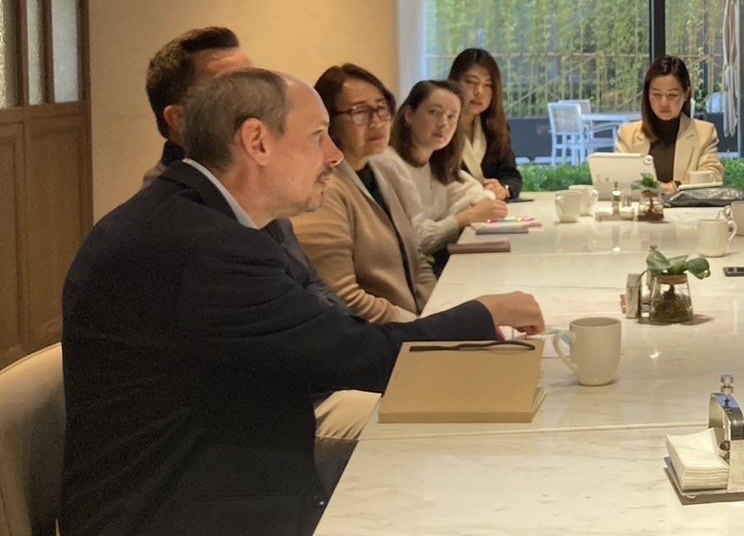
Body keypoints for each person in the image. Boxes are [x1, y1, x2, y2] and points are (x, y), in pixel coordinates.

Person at [60, 68, 546, 534]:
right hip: (177, 509)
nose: (334, 154)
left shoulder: (213, 221)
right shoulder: (207, 249)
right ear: (258, 142)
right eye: (318, 135)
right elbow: (356, 355)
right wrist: (483, 314)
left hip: (219, 476)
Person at [140, 26, 373, 483]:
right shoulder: (187, 226)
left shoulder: (253, 196)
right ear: (180, 120)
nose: (252, 95)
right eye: (225, 89)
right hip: (233, 441)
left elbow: (314, 293)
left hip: (291, 387)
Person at [291, 64, 437, 324]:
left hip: (412, 327)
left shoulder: (385, 171)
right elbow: (342, 295)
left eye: (382, 107)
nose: (377, 121)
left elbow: (417, 260)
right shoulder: (323, 190)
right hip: (374, 338)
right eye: (360, 112)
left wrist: (439, 313)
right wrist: (418, 328)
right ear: (329, 122)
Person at [373, 80, 507, 274]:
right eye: (434, 113)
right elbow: (416, 241)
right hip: (407, 276)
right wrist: (463, 218)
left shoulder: (436, 165)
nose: (444, 123)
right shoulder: (389, 163)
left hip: (429, 269)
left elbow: (476, 196)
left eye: (452, 117)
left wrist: (476, 206)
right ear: (409, 115)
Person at [142, 26, 252, 185]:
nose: (254, 98)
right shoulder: (171, 204)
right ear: (180, 119)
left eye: (255, 83)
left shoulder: (242, 183)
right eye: (229, 89)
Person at [615, 55, 723, 195]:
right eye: (657, 95)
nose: (664, 103)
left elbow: (713, 176)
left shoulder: (705, 132)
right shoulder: (628, 134)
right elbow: (618, 179)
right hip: (641, 211)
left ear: (686, 94)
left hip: (686, 213)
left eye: (672, 95)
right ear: (647, 95)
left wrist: (678, 185)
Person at [450, 48, 523, 200]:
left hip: (489, 212)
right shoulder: (441, 126)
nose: (479, 92)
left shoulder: (495, 127)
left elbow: (511, 175)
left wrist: (503, 189)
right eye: (471, 82)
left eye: (488, 85)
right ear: (454, 81)